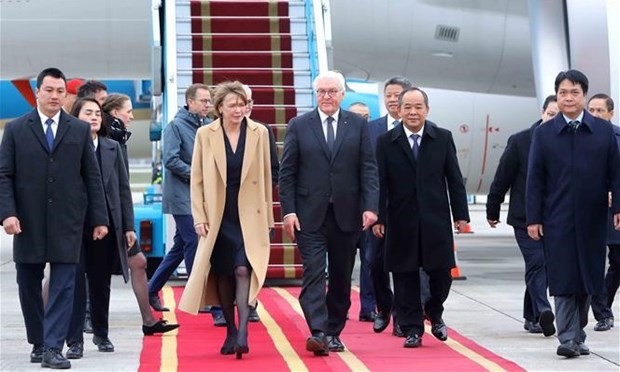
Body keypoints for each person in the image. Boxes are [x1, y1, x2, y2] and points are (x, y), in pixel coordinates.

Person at [0, 67, 109, 369]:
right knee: (28, 282)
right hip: (27, 221)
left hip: (68, 222)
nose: (55, 96)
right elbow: (4, 175)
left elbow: (92, 175)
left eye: (60, 91)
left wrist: (99, 218)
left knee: (64, 285)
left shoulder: (77, 129)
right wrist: (7, 213)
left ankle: (52, 348)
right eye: (49, 90)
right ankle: (38, 340)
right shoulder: (16, 129)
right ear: (37, 91)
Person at [64, 99, 178, 359]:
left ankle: (101, 333)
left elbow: (123, 190)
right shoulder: (67, 148)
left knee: (101, 282)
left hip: (107, 225)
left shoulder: (112, 147)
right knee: (75, 282)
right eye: (87, 113)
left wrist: (128, 226)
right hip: (75, 226)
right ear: (75, 117)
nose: (93, 117)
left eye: (96, 113)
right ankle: (74, 341)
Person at [279, 71, 379, 355]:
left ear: (342, 95)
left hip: (347, 215)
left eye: (332, 91)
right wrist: (289, 212)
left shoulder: (358, 125)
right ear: (315, 94)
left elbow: (368, 169)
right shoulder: (299, 125)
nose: (326, 96)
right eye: (321, 91)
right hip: (309, 215)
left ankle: (334, 330)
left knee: (341, 276)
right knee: (313, 273)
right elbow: (288, 174)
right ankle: (318, 332)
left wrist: (371, 207)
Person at [526, 69, 620, 358]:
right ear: (558, 95)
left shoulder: (604, 132)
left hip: (594, 218)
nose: (568, 97)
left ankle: (577, 333)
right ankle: (567, 337)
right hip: (557, 218)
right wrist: (533, 218)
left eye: (574, 92)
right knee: (564, 275)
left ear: (584, 95)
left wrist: (617, 208)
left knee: (589, 277)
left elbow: (616, 174)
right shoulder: (544, 133)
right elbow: (535, 178)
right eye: (563, 92)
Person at [178, 81, 274, 360]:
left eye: (243, 104)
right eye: (233, 105)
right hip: (219, 215)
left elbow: (267, 178)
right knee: (222, 273)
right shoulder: (204, 134)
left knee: (243, 270)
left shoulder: (260, 133)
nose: (239, 110)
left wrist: (268, 217)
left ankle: (243, 331)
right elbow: (196, 179)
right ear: (219, 108)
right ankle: (230, 330)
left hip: (249, 215)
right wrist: (199, 216)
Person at [372, 87, 469, 348]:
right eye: (408, 107)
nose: (413, 112)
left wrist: (461, 216)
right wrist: (379, 217)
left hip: (434, 219)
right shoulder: (386, 142)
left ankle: (434, 311)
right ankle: (413, 328)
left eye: (418, 107)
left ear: (427, 109)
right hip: (400, 220)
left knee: (441, 274)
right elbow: (380, 183)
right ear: (399, 110)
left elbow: (455, 180)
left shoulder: (442, 138)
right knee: (404, 277)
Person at [486, 95, 558, 335]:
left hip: (555, 217)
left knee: (544, 265)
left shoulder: (568, 142)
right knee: (537, 262)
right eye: (550, 114)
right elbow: (502, 177)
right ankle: (543, 310)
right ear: (542, 112)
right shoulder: (521, 141)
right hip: (524, 217)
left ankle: (531, 315)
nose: (553, 119)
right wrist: (492, 208)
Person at [148, 84, 212, 312]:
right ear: (190, 102)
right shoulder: (175, 126)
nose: (208, 105)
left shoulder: (207, 125)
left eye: (209, 101)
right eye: (203, 101)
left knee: (180, 246)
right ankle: (199, 294)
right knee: (194, 240)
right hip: (182, 195)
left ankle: (151, 289)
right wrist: (198, 175)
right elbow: (171, 160)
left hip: (198, 195)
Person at [367, 76, 412, 337]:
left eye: (398, 95)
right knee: (374, 262)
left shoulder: (419, 128)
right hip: (376, 209)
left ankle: (403, 319)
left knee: (406, 267)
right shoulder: (372, 129)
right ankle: (384, 305)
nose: (393, 100)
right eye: (389, 95)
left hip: (406, 211)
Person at [587, 93, 619, 332]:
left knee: (617, 262)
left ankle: (604, 305)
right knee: (594, 263)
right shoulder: (579, 136)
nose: (596, 115)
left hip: (615, 210)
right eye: (592, 110)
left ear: (611, 113)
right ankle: (603, 314)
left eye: (600, 110)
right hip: (589, 209)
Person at [347, 101, 376, 322]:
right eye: (358, 116)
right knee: (343, 264)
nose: (362, 120)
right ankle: (342, 305)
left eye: (366, 116)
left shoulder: (374, 140)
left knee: (369, 262)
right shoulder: (341, 138)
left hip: (367, 213)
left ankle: (368, 308)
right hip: (345, 214)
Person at [102, 94, 134, 173]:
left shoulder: (118, 136)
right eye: (128, 112)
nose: (132, 117)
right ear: (115, 113)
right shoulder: (107, 139)